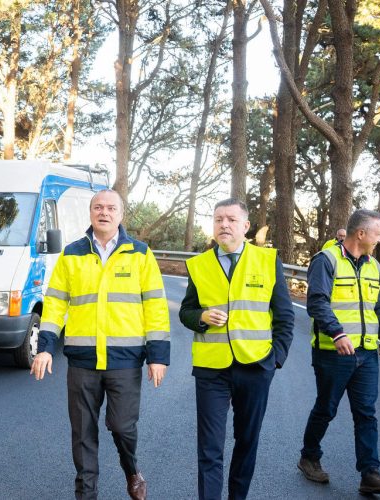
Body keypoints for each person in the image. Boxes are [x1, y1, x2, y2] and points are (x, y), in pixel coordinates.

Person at [31, 189, 170, 500]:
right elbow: (55, 305)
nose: (103, 212)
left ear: (120, 215)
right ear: (90, 213)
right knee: (83, 434)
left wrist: (157, 356)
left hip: (125, 360)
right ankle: (86, 495)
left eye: (110, 208)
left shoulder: (140, 254)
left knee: (122, 427)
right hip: (82, 361)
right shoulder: (72, 254)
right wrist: (45, 347)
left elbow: (156, 307)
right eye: (98, 207)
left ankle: (131, 468)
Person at [179, 198, 294, 500]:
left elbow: (284, 315)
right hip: (211, 369)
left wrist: (276, 359)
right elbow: (186, 311)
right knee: (210, 446)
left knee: (247, 441)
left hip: (256, 367)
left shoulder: (268, 261)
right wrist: (200, 317)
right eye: (218, 219)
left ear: (245, 226)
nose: (224, 225)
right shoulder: (199, 265)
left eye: (231, 219)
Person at [297, 209, 380, 494]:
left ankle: (370, 473)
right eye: (377, 232)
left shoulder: (374, 266)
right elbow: (317, 302)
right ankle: (309, 457)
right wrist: (337, 332)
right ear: (361, 233)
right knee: (326, 408)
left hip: (366, 353)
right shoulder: (325, 261)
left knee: (366, 413)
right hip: (333, 352)